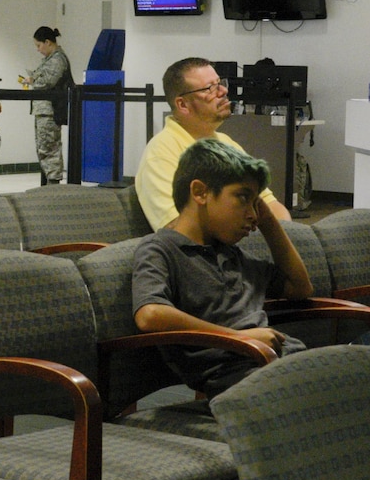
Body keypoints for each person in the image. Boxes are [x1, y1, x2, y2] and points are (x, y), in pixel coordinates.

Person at [131, 138, 313, 397]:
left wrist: (269, 222)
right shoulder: (161, 249)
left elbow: (300, 287)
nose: (252, 215)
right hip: (240, 376)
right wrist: (240, 339)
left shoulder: (231, 254)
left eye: (256, 204)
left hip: (280, 361)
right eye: (242, 198)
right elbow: (150, 314)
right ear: (200, 193)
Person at [135, 57, 288, 230]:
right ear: (183, 104)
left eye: (220, 83)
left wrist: (286, 237)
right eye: (210, 88)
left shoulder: (226, 143)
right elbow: (177, 229)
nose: (223, 91)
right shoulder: (162, 152)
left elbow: (270, 205)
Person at [24, 26, 72, 184]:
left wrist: (33, 81)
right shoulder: (50, 59)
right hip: (43, 110)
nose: (38, 50)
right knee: (43, 147)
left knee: (49, 148)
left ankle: (53, 184)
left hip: (49, 110)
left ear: (48, 42)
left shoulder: (57, 59)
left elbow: (48, 82)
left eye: (39, 45)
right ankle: (49, 182)